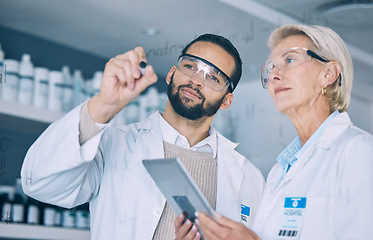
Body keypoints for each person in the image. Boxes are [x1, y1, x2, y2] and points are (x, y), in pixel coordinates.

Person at [21, 33, 265, 239]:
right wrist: (103, 106)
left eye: (213, 77)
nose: (196, 80)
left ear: (227, 100)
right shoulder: (114, 145)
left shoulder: (248, 178)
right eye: (190, 66)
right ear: (171, 74)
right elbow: (38, 183)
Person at [176, 24, 373, 240]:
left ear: (329, 73)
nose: (274, 76)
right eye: (270, 68)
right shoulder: (279, 172)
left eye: (289, 60)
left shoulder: (358, 151)